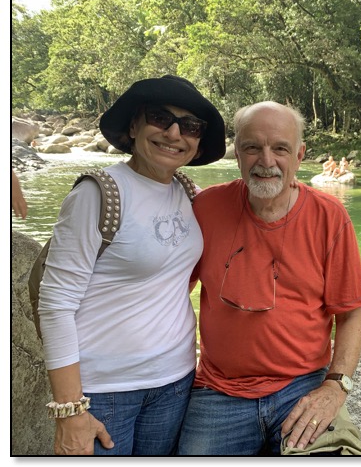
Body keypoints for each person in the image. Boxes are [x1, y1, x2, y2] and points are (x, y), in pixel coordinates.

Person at [38, 75, 226, 455]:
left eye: (189, 126)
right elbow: (55, 303)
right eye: (161, 118)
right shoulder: (98, 193)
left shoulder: (190, 194)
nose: (174, 133)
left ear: (197, 142)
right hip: (104, 391)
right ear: (134, 125)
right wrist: (70, 409)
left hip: (175, 381)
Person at [177, 101, 361, 455]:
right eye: (253, 147)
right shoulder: (205, 209)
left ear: (299, 155)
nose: (266, 161)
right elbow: (170, 292)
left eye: (279, 148)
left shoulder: (330, 216)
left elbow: (351, 312)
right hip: (219, 393)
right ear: (237, 154)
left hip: (302, 387)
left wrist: (336, 386)